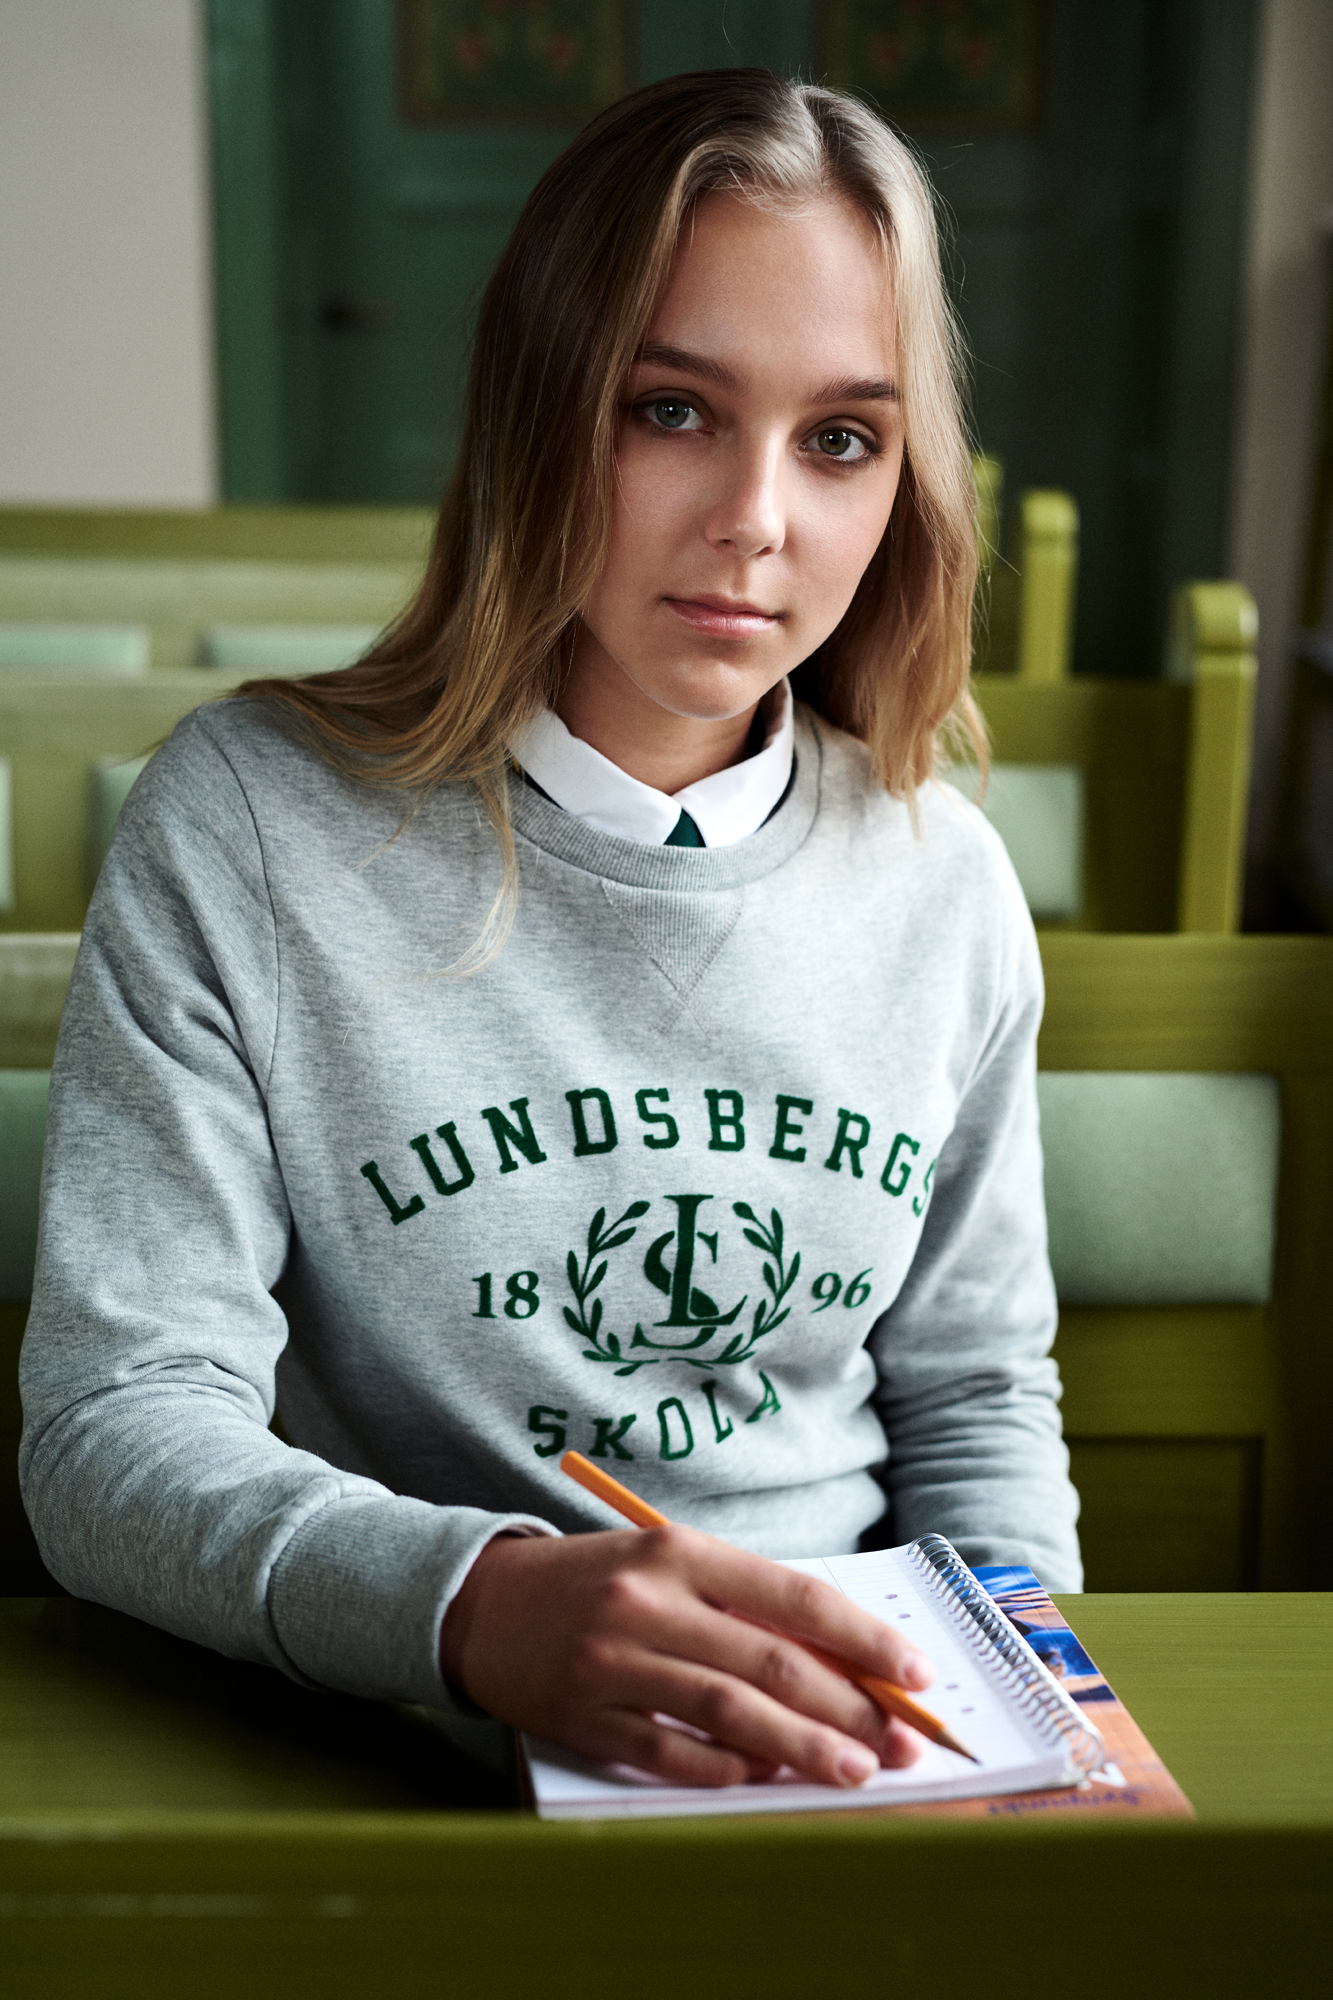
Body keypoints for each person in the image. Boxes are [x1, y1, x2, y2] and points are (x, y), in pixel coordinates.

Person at [19, 69, 1080, 1795]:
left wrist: (1029, 1722)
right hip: (400, 1738)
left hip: (858, 1744)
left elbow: (972, 1407)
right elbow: (112, 1427)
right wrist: (479, 1612)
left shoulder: (940, 885)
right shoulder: (250, 823)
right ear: (539, 403)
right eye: (671, 409)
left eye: (839, 438)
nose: (756, 517)